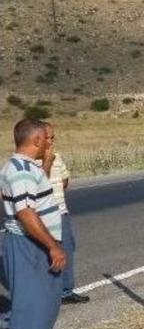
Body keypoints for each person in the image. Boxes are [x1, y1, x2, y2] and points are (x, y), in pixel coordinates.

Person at [1, 119, 80, 329]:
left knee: (47, 301)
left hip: (37, 243)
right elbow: (25, 213)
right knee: (29, 305)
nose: (50, 143)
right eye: (47, 138)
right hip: (28, 245)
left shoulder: (28, 168)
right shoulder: (19, 171)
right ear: (36, 140)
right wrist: (53, 246)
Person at [39, 122, 89, 304]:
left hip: (61, 211)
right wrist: (47, 163)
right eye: (47, 138)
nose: (51, 141)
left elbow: (65, 180)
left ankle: (66, 291)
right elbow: (38, 185)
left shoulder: (57, 157)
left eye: (53, 138)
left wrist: (59, 177)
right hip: (42, 216)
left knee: (67, 250)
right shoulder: (31, 161)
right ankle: (45, 292)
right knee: (44, 254)